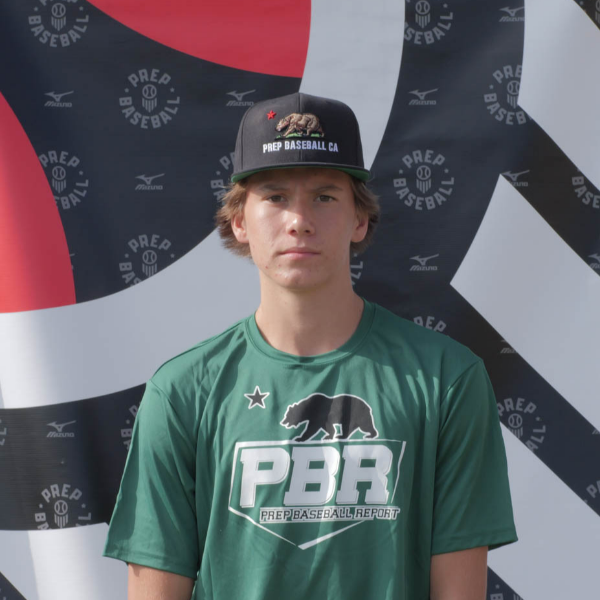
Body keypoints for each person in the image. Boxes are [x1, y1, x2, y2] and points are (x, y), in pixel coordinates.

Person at [103, 92, 518, 600]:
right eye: (275, 197)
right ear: (239, 222)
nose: (299, 220)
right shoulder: (183, 392)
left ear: (359, 219)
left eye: (324, 197)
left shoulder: (445, 379)